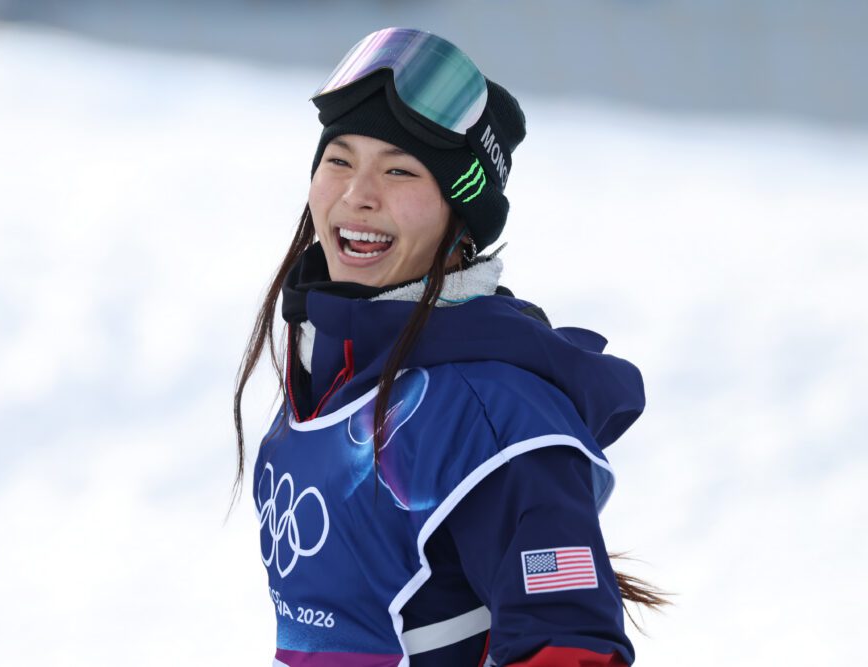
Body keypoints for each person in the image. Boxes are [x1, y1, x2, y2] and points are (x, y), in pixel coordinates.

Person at [233, 27, 665, 667]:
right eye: (340, 159)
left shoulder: (494, 413)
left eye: (400, 170)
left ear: (457, 215)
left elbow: (570, 648)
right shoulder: (326, 379)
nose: (358, 195)